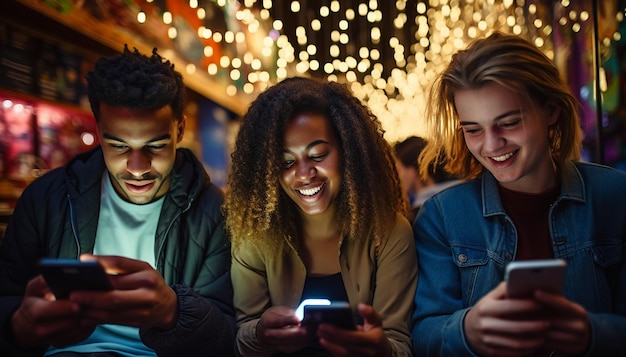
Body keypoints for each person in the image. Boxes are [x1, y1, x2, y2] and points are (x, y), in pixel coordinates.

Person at [0, 46, 235, 356]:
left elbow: (229, 337)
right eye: (120, 146)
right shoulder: (44, 199)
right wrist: (18, 325)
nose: (138, 168)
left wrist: (173, 312)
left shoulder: (215, 214)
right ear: (99, 131)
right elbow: (6, 296)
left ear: (179, 130)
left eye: (155, 146)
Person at [411, 31, 626, 356]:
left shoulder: (615, 196)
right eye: (473, 130)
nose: (492, 145)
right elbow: (423, 336)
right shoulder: (442, 216)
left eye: (509, 123)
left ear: (551, 110)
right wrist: (467, 330)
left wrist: (591, 334)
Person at [224, 77, 417, 356]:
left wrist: (381, 350)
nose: (303, 174)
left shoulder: (388, 232)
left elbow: (400, 344)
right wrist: (259, 334)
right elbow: (242, 339)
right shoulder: (255, 234)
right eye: (286, 162)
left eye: (318, 155)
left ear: (349, 151)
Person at [393, 135, 460, 222]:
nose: (397, 177)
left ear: (412, 171)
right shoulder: (462, 195)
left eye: (399, 170)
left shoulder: (418, 216)